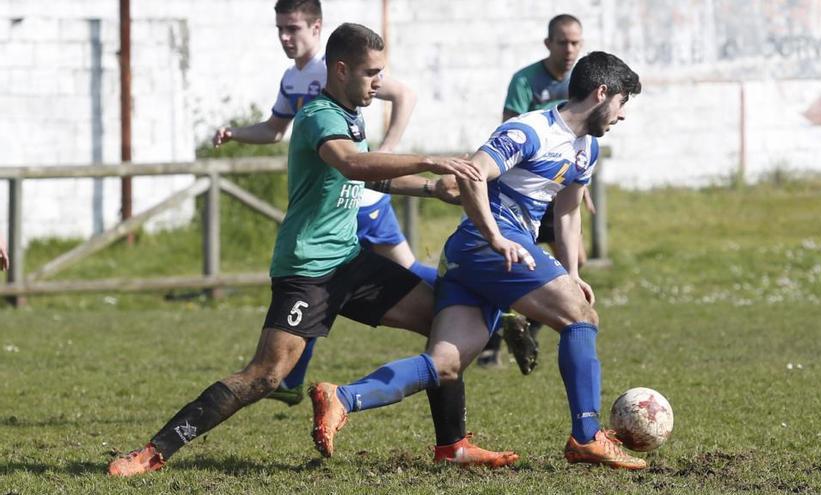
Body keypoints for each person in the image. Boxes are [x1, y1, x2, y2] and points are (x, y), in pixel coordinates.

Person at [108, 22, 518, 477]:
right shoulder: (318, 115)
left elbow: (366, 176)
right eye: (371, 73)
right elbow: (350, 162)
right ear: (341, 69)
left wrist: (428, 188)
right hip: (308, 270)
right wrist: (428, 159)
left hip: (350, 259)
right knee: (265, 375)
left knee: (447, 325)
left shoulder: (350, 113)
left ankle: (453, 446)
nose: (379, 82)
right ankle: (152, 452)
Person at [309, 51, 647, 470]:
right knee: (582, 318)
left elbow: (568, 211)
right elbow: (473, 173)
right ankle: (586, 435)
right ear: (602, 93)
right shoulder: (530, 131)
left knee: (445, 364)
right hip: (488, 244)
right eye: (622, 102)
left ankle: (341, 397)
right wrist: (494, 235)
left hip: (479, 254)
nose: (623, 114)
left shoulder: (586, 149)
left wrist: (573, 273)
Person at [211, 0, 449, 408]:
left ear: (317, 28)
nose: (286, 38)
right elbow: (274, 131)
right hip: (336, 191)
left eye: (294, 29)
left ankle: (468, 306)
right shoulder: (293, 79)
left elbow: (403, 94)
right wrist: (234, 133)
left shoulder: (342, 68)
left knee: (389, 273)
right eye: (280, 29)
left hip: (360, 194)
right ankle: (291, 378)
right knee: (332, 281)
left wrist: (387, 151)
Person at [479, 14, 594, 372]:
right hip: (524, 192)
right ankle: (495, 342)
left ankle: (523, 321)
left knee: (578, 260)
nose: (570, 49)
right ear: (549, 44)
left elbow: (578, 144)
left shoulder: (582, 84)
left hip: (558, 190)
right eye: (563, 42)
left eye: (576, 42)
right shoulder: (526, 81)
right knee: (511, 264)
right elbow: (507, 134)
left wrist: (579, 186)